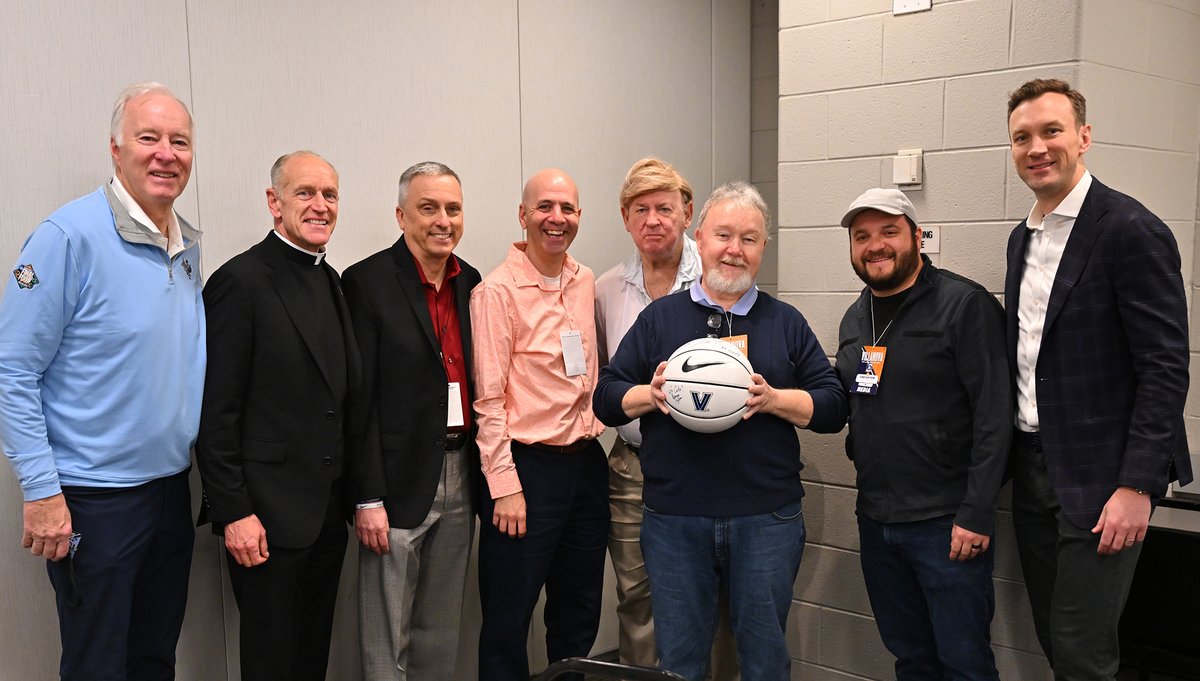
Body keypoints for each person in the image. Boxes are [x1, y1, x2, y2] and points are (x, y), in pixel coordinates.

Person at [594, 181, 847, 681]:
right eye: (724, 236)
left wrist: (774, 400)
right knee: (681, 662)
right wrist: (654, 393)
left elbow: (833, 406)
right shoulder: (659, 318)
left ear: (763, 249)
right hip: (674, 521)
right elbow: (606, 398)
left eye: (749, 239)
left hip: (766, 519)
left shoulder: (785, 322)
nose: (734, 250)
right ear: (701, 239)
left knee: (764, 660)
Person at [0, 82, 201, 681]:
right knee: (98, 664)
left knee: (153, 656)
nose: (166, 153)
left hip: (170, 490)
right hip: (95, 500)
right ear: (115, 150)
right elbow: (13, 370)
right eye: (149, 138)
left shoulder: (187, 242)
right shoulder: (66, 238)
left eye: (180, 141)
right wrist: (40, 491)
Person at [1004, 78, 1192, 679]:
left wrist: (1139, 485)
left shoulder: (1130, 230)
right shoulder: (1022, 239)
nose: (1037, 147)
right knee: (1055, 641)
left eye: (1051, 131)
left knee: (1084, 653)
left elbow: (1165, 367)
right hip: (1035, 469)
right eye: (1022, 137)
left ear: (1083, 137)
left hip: (1104, 478)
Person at [835, 188, 1010, 680]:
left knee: (964, 663)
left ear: (916, 237)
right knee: (911, 659)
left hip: (947, 526)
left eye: (889, 232)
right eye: (861, 236)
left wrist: (976, 513)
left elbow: (995, 417)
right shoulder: (856, 317)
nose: (875, 246)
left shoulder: (964, 305)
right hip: (877, 521)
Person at [196, 151, 359, 681]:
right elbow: (215, 414)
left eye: (329, 195)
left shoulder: (330, 279)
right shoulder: (239, 282)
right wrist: (234, 512)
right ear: (274, 202)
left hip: (326, 516)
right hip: (263, 521)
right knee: (270, 663)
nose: (320, 206)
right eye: (305, 194)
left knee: (311, 657)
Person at [594, 157, 739, 678]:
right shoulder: (607, 287)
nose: (653, 220)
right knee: (636, 595)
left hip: (709, 462)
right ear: (625, 217)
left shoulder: (721, 273)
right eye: (640, 209)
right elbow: (604, 380)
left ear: (687, 213)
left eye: (664, 208)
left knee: (716, 598)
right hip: (632, 467)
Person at [342, 161, 481, 680]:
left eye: (452, 208)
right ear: (401, 216)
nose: (442, 220)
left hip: (461, 471)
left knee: (441, 629)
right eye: (428, 208)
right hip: (395, 481)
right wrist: (367, 496)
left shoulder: (472, 282)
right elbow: (361, 401)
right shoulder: (366, 282)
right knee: (388, 632)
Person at [470, 168, 608, 681]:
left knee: (578, 616)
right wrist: (504, 486)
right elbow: (487, 400)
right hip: (525, 472)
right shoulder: (496, 292)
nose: (557, 218)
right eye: (545, 207)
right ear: (523, 215)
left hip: (586, 468)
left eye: (568, 208)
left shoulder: (584, 279)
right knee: (508, 622)